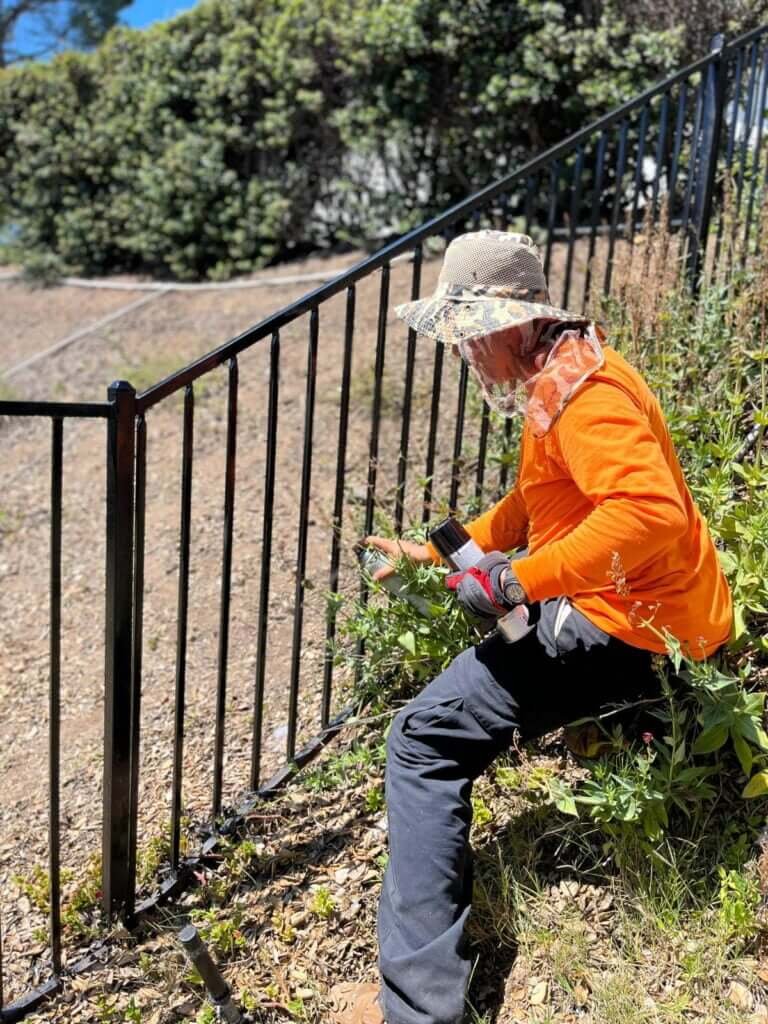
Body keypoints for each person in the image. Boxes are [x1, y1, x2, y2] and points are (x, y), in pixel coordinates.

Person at [329, 231, 733, 1024]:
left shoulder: (588, 399)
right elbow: (534, 504)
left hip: (633, 631)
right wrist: (437, 551)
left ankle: (418, 1012)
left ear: (512, 321)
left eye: (471, 331)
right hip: (651, 617)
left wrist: (516, 579)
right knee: (508, 636)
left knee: (422, 739)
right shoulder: (564, 376)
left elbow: (645, 514)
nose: (466, 352)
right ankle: (628, 720)